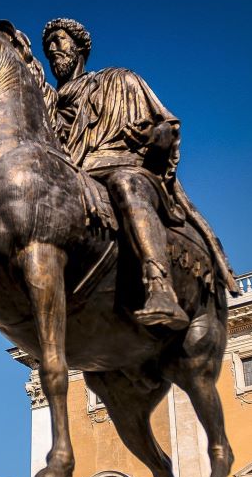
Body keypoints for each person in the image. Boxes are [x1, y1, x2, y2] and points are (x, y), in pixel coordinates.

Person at [42, 18, 190, 328]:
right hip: (71, 175)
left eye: (59, 40)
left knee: (125, 184)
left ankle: (158, 285)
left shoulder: (119, 80)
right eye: (48, 46)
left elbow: (166, 126)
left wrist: (152, 136)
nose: (53, 49)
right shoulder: (47, 107)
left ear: (80, 46)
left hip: (120, 167)